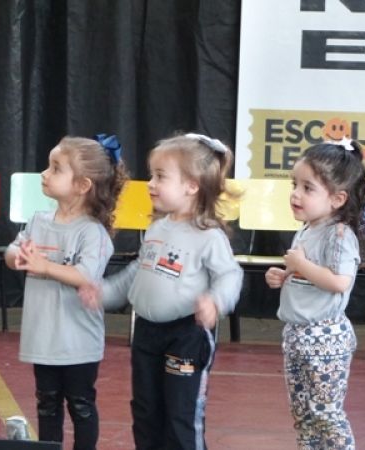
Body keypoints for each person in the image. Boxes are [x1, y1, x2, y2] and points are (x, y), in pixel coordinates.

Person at [79, 133, 243, 449]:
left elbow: (230, 275)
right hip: (147, 333)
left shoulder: (208, 236)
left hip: (186, 336)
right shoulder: (157, 228)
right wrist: (105, 292)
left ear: (191, 185)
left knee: (181, 414)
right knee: (146, 411)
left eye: (160, 176)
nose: (151, 184)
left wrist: (216, 301)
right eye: (152, 175)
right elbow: (136, 273)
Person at [4, 134, 127, 450]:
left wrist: (44, 266)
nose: (45, 174)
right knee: (46, 403)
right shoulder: (38, 220)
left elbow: (85, 275)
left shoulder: (92, 232)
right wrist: (17, 256)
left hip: (77, 343)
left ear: (83, 185)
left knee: (81, 405)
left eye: (56, 168)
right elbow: (13, 249)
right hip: (43, 337)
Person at [264, 139, 365, 449]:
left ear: (337, 198)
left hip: (324, 338)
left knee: (326, 414)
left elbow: (339, 282)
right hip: (297, 334)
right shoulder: (307, 229)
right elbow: (308, 274)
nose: (296, 194)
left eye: (307, 188)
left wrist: (300, 265)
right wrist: (285, 275)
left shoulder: (339, 234)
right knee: (303, 415)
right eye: (294, 185)